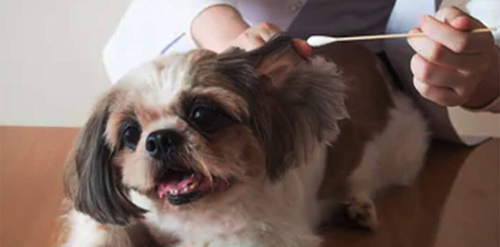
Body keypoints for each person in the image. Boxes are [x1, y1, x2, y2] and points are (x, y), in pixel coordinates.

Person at [103, 0, 499, 145]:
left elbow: (488, 38)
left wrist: (480, 72)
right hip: (216, 136)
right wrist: (218, 25)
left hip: (382, 135)